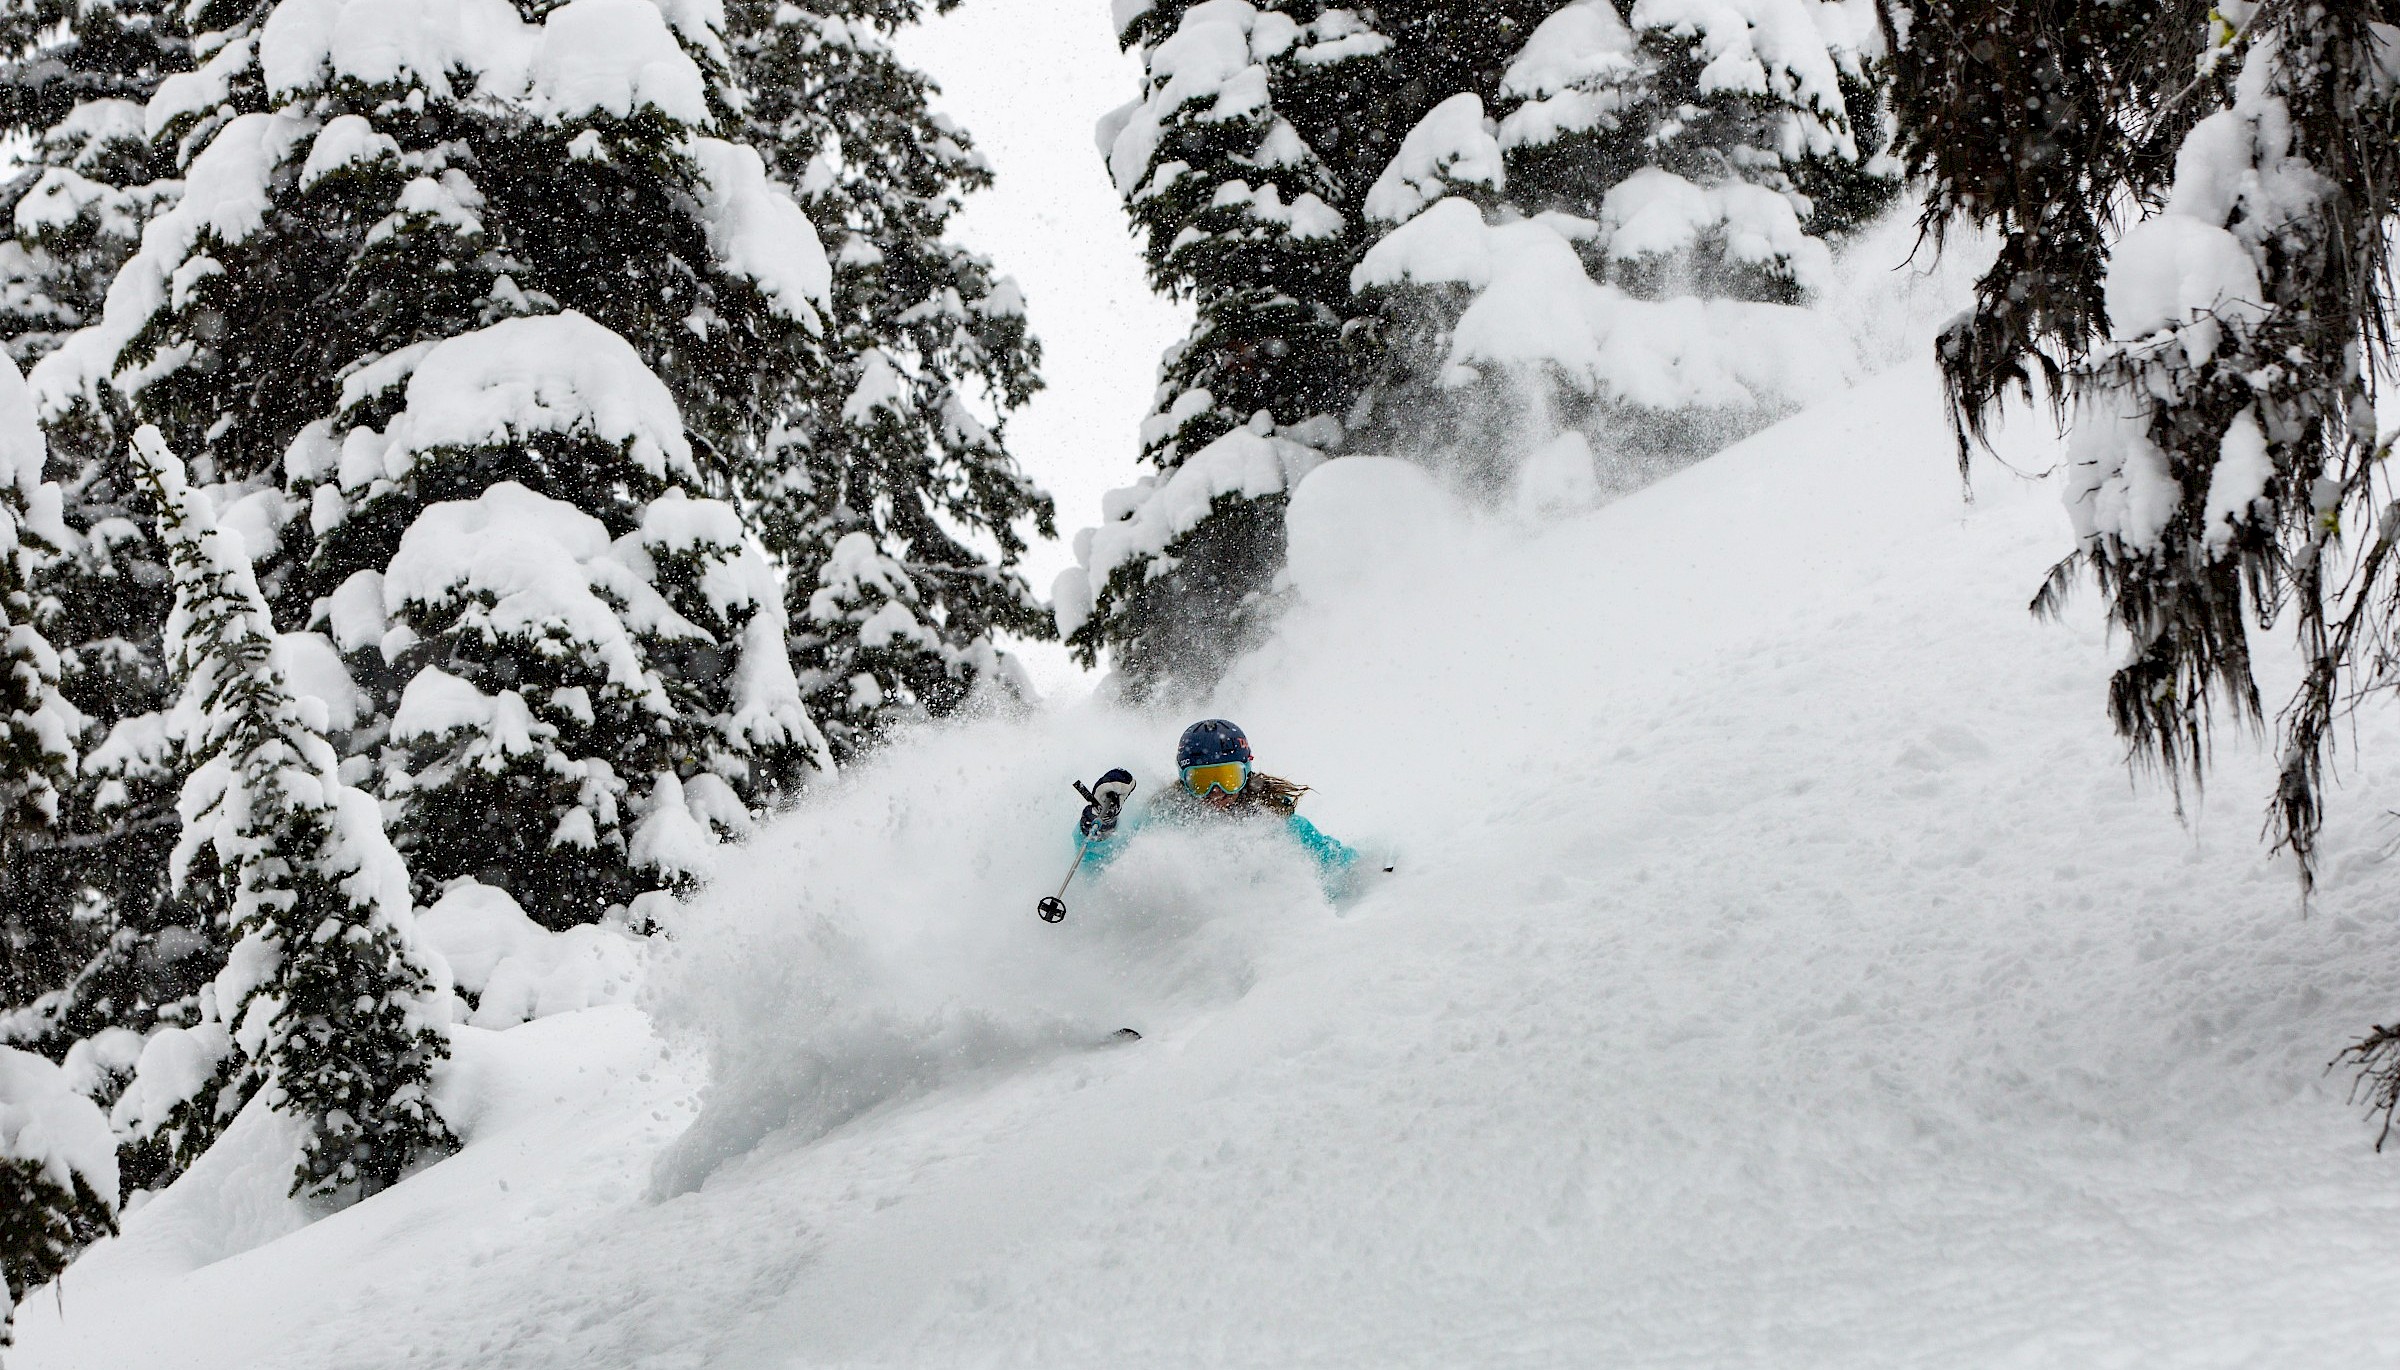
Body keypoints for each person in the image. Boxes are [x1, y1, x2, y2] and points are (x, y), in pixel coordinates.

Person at [1076, 719, 1360, 893]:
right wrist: (1101, 824)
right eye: (1201, 781)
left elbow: (1335, 863)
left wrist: (1373, 872)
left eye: (1227, 778)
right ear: (1183, 781)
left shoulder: (1273, 820)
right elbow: (1100, 870)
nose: (1216, 793)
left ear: (1246, 773)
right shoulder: (1164, 819)